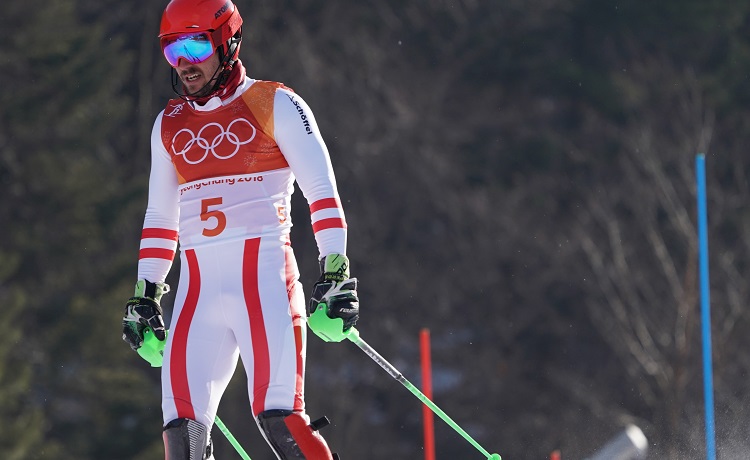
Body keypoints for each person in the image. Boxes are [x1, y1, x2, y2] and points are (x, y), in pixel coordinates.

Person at [121, 1, 359, 458]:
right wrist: (146, 294)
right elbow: (160, 219)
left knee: (282, 422)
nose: (184, 62)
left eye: (194, 44)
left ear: (228, 42)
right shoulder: (169, 124)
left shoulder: (276, 103)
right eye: (172, 51)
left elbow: (322, 193)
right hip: (198, 296)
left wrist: (335, 273)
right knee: (182, 436)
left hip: (265, 285)